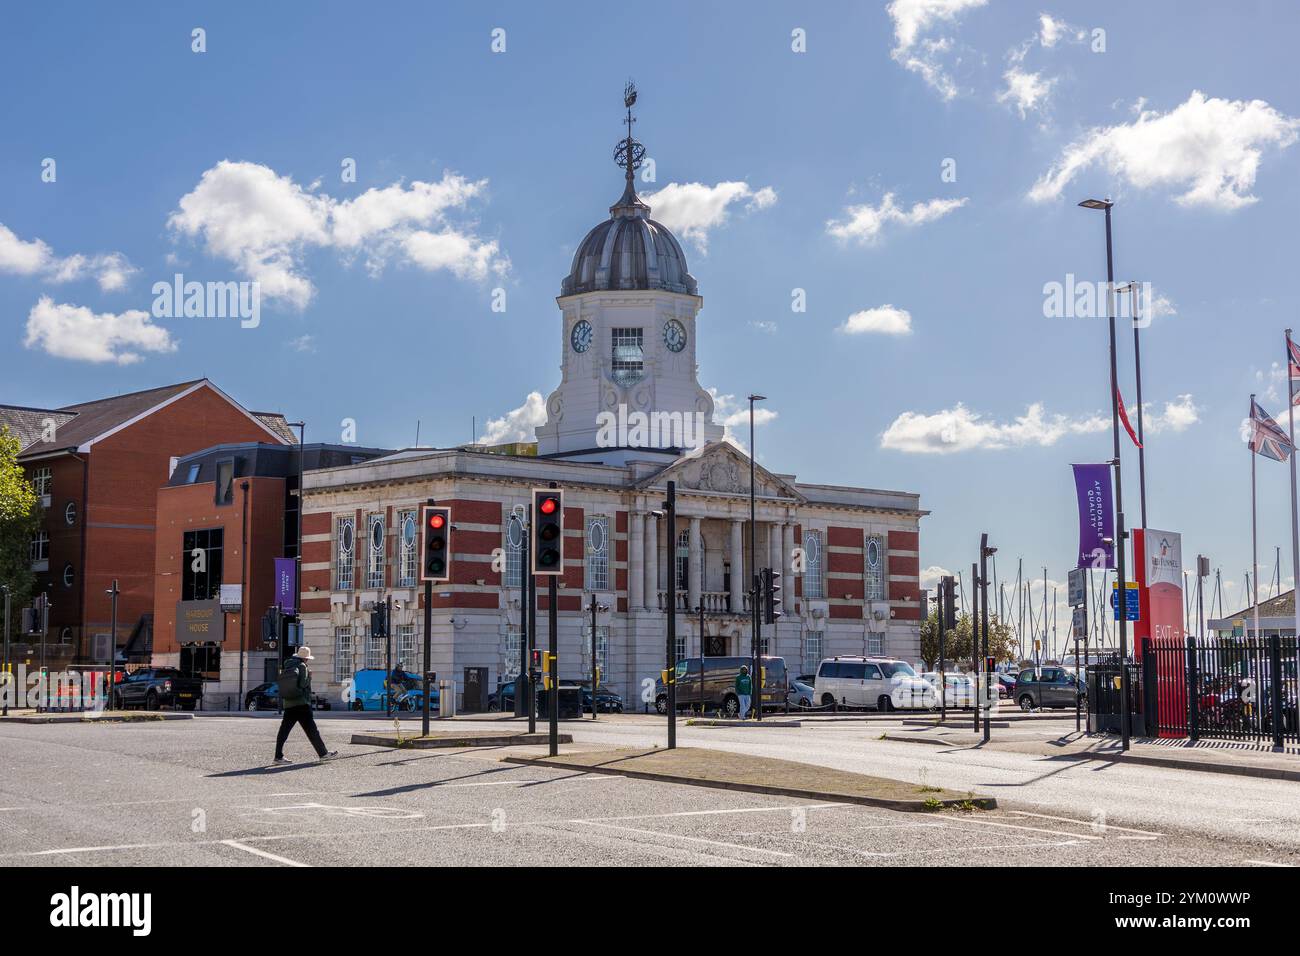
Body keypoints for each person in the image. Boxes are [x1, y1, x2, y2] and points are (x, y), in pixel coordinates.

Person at [274, 646, 337, 764]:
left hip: (289, 703)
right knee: (312, 730)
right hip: (302, 703)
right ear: (306, 658)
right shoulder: (302, 666)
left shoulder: (288, 665)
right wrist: (310, 677)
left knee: (284, 731)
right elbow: (303, 684)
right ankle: (323, 754)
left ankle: (278, 757)